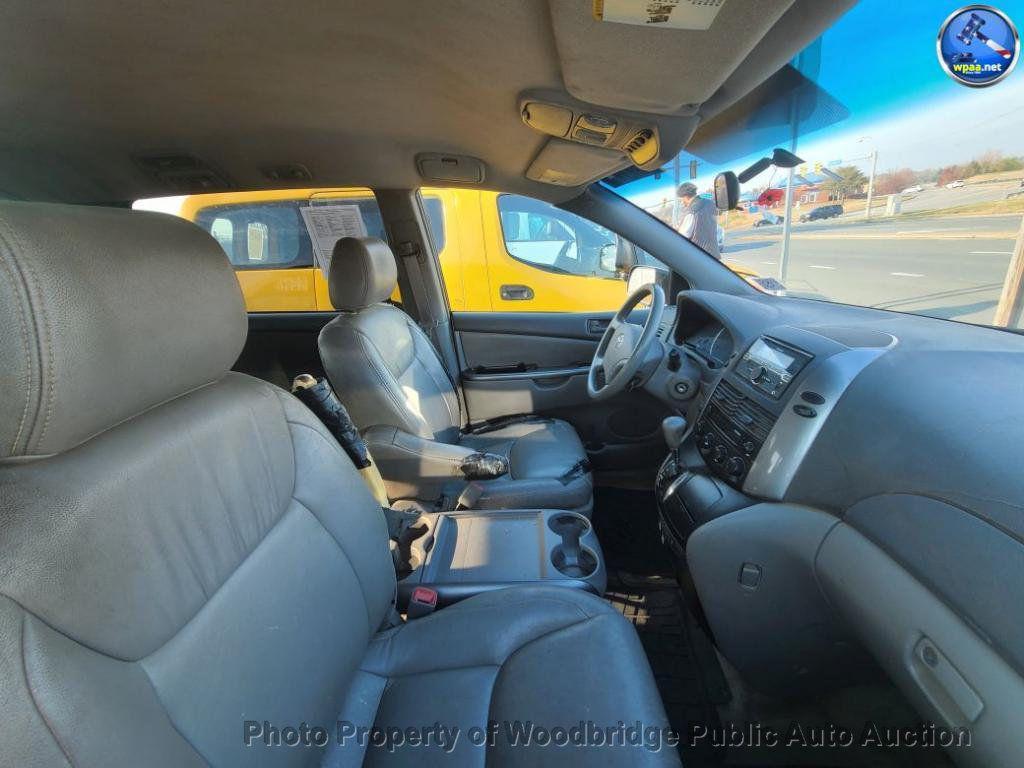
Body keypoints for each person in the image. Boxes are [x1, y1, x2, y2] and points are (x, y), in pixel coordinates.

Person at [677, 182, 721, 259]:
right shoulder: (710, 203)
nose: (682, 202)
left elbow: (683, 237)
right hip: (714, 253)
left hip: (700, 257)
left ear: (686, 196)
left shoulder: (691, 212)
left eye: (682, 199)